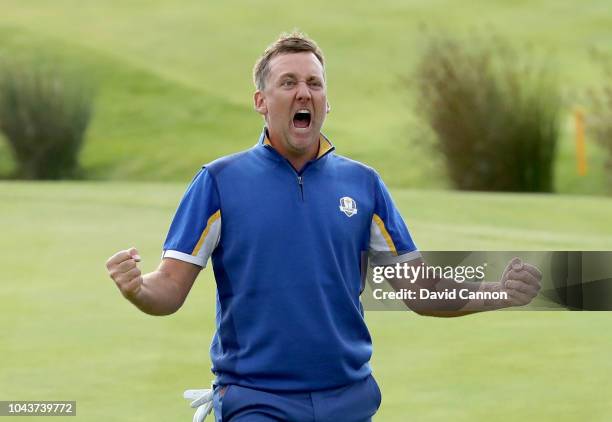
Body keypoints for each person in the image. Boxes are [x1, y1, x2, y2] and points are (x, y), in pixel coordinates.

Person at [105, 32, 542, 422]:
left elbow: (420, 292)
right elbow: (169, 289)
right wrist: (138, 289)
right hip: (257, 401)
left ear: (326, 102)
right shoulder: (219, 182)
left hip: (348, 400)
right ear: (261, 101)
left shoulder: (364, 184)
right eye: (288, 82)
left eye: (314, 84)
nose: (303, 93)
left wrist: (498, 292)